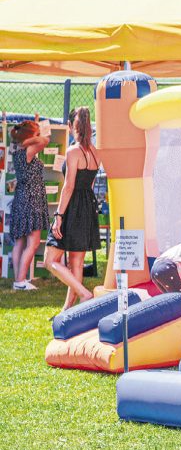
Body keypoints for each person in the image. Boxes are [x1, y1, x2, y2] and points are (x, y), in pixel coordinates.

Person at [44, 107, 100, 311]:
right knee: (76, 262)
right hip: (87, 205)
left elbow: (68, 186)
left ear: (70, 126)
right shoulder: (96, 153)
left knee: (50, 260)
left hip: (72, 206)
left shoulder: (73, 151)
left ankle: (84, 294)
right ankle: (68, 311)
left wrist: (59, 215)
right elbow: (90, 185)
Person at [8, 119, 49, 291]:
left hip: (22, 198)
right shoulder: (29, 150)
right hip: (31, 200)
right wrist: (33, 138)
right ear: (31, 136)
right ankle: (20, 281)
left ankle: (19, 281)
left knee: (20, 242)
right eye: (36, 133)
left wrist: (27, 139)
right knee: (33, 241)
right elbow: (45, 141)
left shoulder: (18, 152)